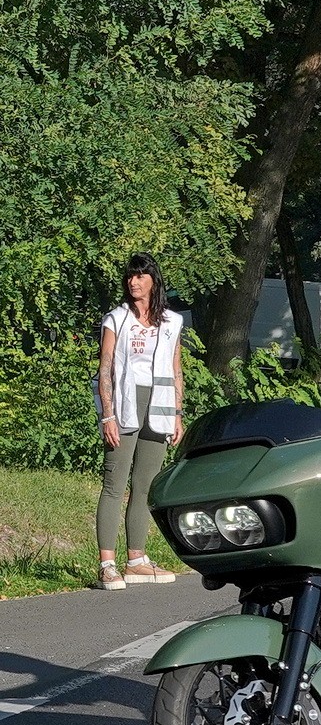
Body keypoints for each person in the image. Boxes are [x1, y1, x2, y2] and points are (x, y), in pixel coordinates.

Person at [94, 253, 184, 590]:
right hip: (124, 406)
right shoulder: (116, 319)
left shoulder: (172, 322)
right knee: (114, 485)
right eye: (130, 276)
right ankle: (107, 565)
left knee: (144, 485)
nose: (134, 282)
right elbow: (105, 368)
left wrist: (177, 413)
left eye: (141, 276)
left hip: (158, 407)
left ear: (153, 281)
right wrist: (107, 415)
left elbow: (176, 368)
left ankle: (136, 560)